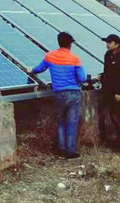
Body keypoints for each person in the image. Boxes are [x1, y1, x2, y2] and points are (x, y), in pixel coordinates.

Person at [32, 31, 87, 159]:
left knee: (61, 121)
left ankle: (61, 150)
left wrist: (31, 70)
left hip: (58, 94)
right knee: (71, 123)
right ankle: (71, 151)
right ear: (69, 44)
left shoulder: (49, 56)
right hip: (73, 94)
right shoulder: (75, 58)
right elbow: (82, 78)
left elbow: (39, 69)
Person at [98, 34, 120, 152]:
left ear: (117, 44)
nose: (107, 45)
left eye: (110, 42)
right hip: (109, 91)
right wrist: (102, 76)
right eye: (107, 42)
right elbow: (108, 71)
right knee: (113, 117)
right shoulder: (108, 55)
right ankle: (117, 142)